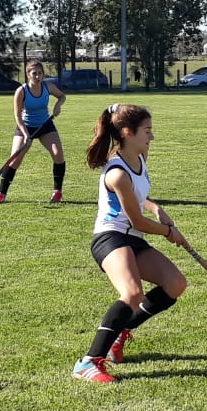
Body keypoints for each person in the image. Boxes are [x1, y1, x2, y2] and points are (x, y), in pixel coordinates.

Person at [72, 103, 189, 384]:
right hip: (110, 237)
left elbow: (138, 199)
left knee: (175, 283)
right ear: (127, 132)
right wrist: (168, 232)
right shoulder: (117, 173)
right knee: (132, 293)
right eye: (147, 131)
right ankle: (88, 362)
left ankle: (121, 332)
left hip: (133, 238)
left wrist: (156, 208)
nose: (152, 136)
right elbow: (136, 220)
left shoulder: (140, 156)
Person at [0, 61, 67, 205]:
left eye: (40, 73)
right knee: (15, 159)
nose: (37, 76)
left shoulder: (48, 86)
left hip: (45, 125)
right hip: (25, 126)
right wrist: (26, 134)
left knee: (58, 154)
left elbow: (62, 96)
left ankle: (57, 192)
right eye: (34, 74)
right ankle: (1, 194)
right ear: (28, 75)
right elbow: (17, 116)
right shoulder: (21, 91)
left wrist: (58, 105)